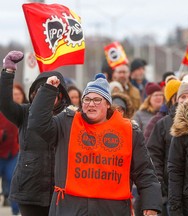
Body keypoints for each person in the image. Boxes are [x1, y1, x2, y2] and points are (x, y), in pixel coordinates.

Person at [27, 73, 162, 216]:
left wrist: (151, 204)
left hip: (112, 209)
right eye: (87, 99)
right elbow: (37, 123)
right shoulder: (67, 123)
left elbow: (144, 171)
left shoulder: (129, 130)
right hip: (70, 207)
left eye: (97, 100)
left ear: (108, 104)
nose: (91, 104)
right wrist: (48, 90)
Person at [0, 51, 71, 216]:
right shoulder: (24, 113)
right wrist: (8, 72)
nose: (45, 97)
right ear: (33, 94)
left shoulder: (69, 116)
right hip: (30, 189)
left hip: (61, 191)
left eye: (52, 92)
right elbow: (4, 103)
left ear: (61, 96)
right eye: (42, 91)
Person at [146, 80, 188, 216]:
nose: (186, 100)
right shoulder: (163, 124)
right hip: (171, 190)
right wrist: (159, 182)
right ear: (176, 99)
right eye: (183, 97)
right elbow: (153, 155)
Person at [0, 83, 28, 215]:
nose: (16, 97)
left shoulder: (28, 111)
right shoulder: (3, 110)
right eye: (13, 95)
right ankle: (6, 194)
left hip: (16, 153)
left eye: (18, 94)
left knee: (13, 179)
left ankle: (16, 211)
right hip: (1, 151)